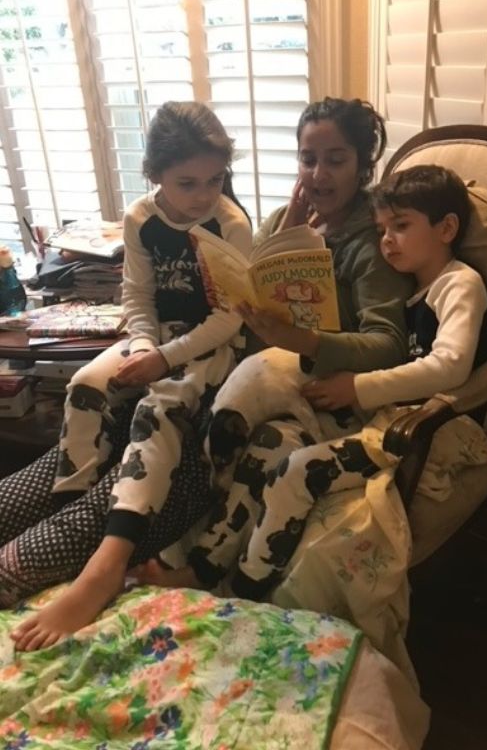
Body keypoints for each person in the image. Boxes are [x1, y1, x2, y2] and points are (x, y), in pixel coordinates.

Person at [135, 164, 487, 599]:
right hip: (378, 416)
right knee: (270, 444)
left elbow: (450, 368)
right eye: (383, 227)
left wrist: (356, 387)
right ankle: (205, 568)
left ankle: (247, 589)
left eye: (401, 226)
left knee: (297, 470)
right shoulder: (411, 290)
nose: (387, 239)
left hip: (427, 427)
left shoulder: (460, 284)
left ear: (446, 228)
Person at [131, 97, 415, 595]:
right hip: (260, 369)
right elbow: (248, 279)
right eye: (308, 159)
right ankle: (173, 552)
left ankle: (216, 580)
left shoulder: (373, 240)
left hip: (324, 392)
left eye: (336, 159)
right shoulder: (289, 213)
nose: (319, 174)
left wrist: (303, 340)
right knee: (193, 420)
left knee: (268, 448)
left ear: (363, 163)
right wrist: (288, 232)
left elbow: (389, 344)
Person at [10, 100, 252, 650]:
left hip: (212, 343)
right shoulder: (142, 218)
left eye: (215, 180)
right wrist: (142, 347)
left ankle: (105, 563)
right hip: (156, 335)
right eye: (187, 182)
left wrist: (162, 362)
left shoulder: (230, 223)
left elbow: (230, 317)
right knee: (86, 387)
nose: (203, 194)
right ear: (155, 176)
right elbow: (136, 296)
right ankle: (75, 497)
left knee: (157, 408)